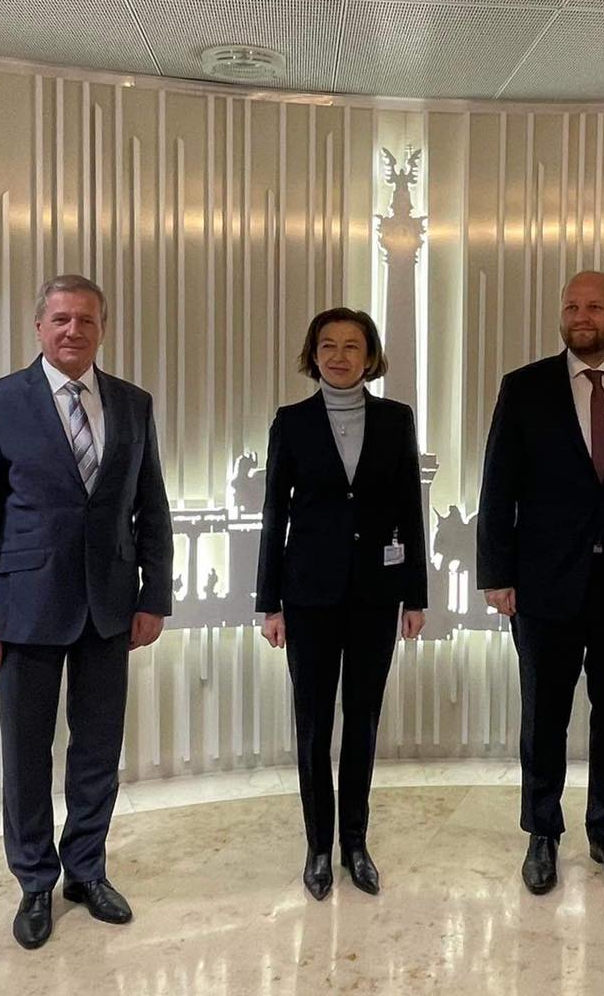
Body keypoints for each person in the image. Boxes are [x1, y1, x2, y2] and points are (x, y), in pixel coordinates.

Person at [0, 274, 173, 949]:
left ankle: (86, 870)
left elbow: (152, 507)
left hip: (110, 607)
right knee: (26, 755)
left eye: (86, 319)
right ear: (39, 327)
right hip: (23, 609)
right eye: (61, 319)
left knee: (98, 750)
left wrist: (154, 597)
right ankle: (33, 882)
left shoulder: (133, 404)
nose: (74, 330)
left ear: (102, 328)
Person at [476, 270, 604, 895]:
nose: (581, 316)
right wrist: (497, 574)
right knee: (544, 715)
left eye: (595, 306)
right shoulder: (524, 387)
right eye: (571, 306)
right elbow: (498, 487)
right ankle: (542, 833)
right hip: (543, 584)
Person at [256, 307, 428, 900]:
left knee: (363, 720)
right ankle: (318, 847)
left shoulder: (396, 420)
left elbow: (410, 508)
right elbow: (274, 514)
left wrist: (416, 596)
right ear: (313, 354)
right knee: (313, 725)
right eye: (327, 345)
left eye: (352, 345)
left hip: (377, 596)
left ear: (369, 356)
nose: (339, 356)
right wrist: (269, 603)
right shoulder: (292, 422)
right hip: (308, 596)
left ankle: (355, 842)